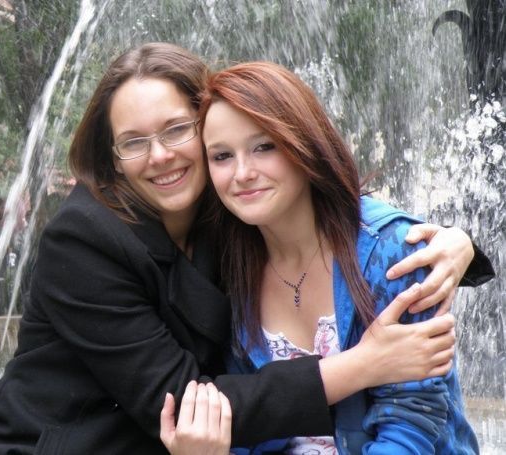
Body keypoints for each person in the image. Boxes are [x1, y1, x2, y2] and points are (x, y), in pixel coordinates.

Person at [0, 43, 491, 455]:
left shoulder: (231, 218)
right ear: (113, 158)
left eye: (176, 130)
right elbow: (183, 402)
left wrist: (456, 240)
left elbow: (328, 208)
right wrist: (363, 365)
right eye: (134, 142)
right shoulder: (85, 239)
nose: (160, 156)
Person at [164, 61, 484, 454]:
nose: (242, 173)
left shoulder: (392, 252)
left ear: (305, 143)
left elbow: (413, 422)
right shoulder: (229, 267)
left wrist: (462, 241)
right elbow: (250, 425)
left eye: (264, 147)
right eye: (222, 156)